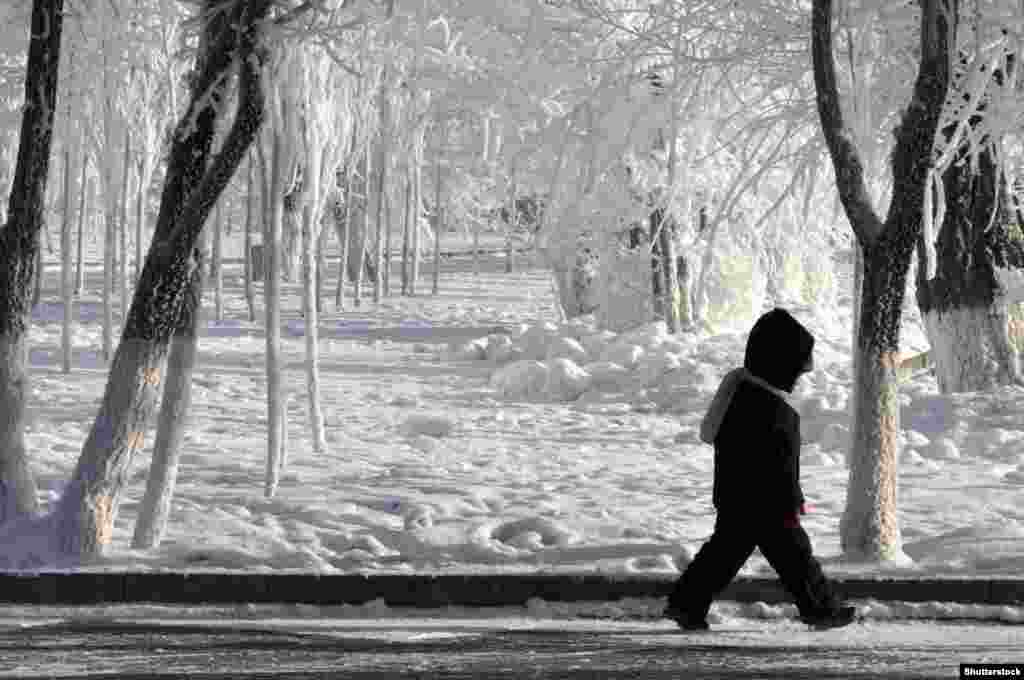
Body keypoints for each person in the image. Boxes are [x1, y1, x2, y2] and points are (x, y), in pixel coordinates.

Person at [664, 308, 856, 631]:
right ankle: (820, 609)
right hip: (767, 503)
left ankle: (685, 604)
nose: (799, 376)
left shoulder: (741, 397)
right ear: (779, 365)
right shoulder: (768, 409)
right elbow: (779, 463)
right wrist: (792, 500)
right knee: (795, 558)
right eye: (796, 369)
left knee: (724, 555)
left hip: (739, 497)